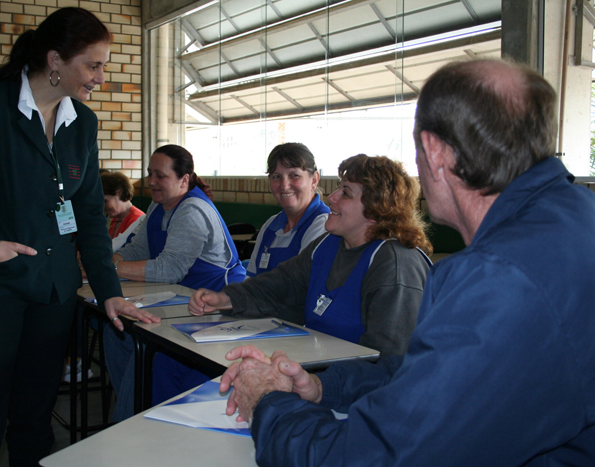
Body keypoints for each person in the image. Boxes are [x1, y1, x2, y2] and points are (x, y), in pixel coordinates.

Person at [219, 59, 595, 466]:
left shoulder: (497, 278)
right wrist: (322, 387)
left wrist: (269, 402)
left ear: (433, 151)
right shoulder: (575, 217)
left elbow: (377, 457)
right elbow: (422, 374)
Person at [0, 8, 159, 466]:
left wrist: (109, 293)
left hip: (54, 293)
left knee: (34, 419)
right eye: (92, 65)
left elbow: (89, 217)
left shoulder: (83, 123)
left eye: (104, 65)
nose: (100, 78)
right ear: (55, 60)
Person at [190, 153, 432, 356]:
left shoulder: (396, 264)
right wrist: (226, 299)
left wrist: (315, 387)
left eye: (345, 193)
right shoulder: (327, 245)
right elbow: (281, 285)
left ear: (377, 207)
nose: (332, 197)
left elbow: (389, 363)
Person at [103, 144, 247, 422]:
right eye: (149, 174)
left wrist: (110, 268)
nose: (152, 182)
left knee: (146, 345)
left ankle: (129, 424)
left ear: (184, 180)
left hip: (216, 306)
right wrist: (110, 262)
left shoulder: (192, 210)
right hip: (180, 301)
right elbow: (137, 250)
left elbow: (169, 269)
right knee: (117, 332)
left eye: (160, 175)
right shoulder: (158, 205)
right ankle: (135, 410)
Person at [246, 142, 330, 277]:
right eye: (276, 177)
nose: (284, 186)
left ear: (314, 180)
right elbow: (250, 281)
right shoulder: (270, 225)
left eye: (294, 175)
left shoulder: (323, 225)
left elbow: (300, 289)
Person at [100, 171, 145, 251]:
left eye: (105, 201)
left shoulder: (136, 220)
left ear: (118, 193)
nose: (103, 206)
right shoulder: (115, 219)